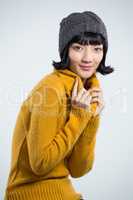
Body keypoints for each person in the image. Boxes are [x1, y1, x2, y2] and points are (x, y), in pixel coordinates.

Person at [4, 11, 114, 200]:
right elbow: (40, 164)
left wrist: (92, 118)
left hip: (63, 192)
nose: (88, 58)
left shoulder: (85, 91)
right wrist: (80, 116)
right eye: (78, 48)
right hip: (31, 194)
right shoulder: (51, 90)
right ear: (65, 51)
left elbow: (79, 170)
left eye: (97, 48)